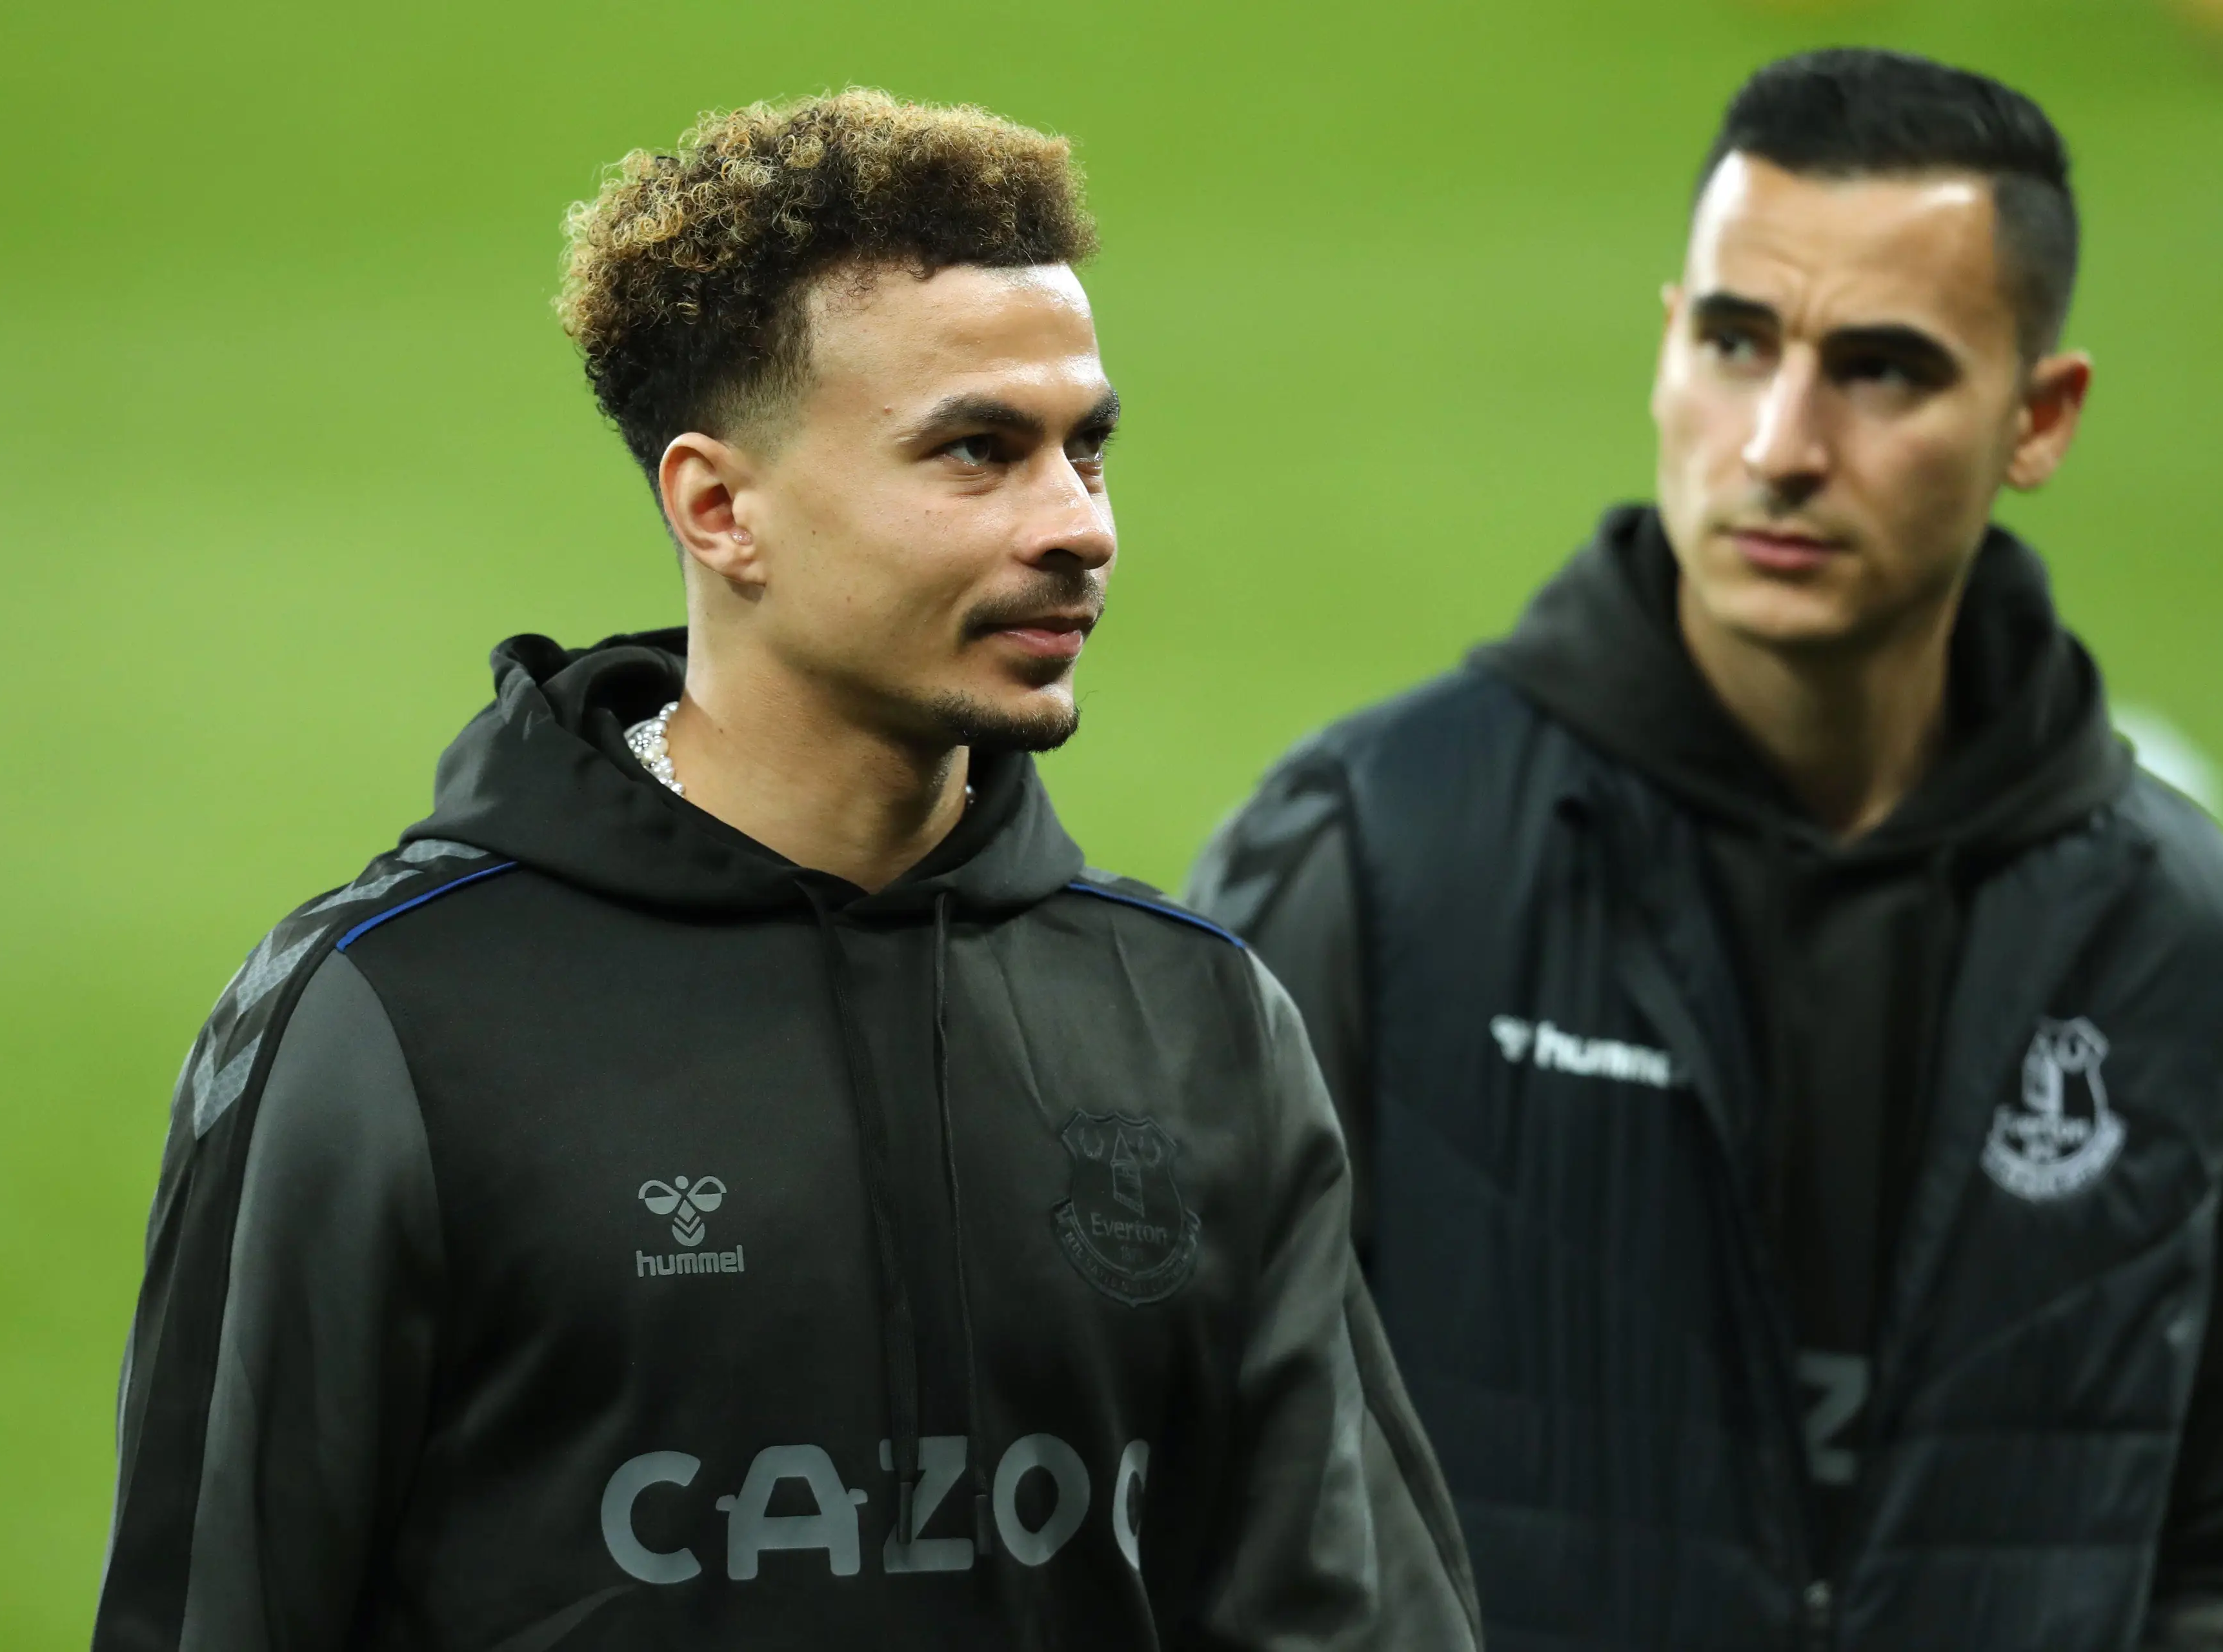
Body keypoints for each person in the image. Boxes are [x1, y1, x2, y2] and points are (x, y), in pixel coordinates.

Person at [90, 91, 1478, 1651]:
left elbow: (1340, 1618)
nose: (1076, 523)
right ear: (718, 506)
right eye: (977, 452)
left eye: (1085, 448)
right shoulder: (391, 1021)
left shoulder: (1196, 1021)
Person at [1187, 48, 2223, 1651]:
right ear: (1667, 343)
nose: (1779, 442)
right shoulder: (1376, 859)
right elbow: (1185, 1478)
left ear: (2040, 417)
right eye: (1736, 339)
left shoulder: (2180, 930)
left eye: (1882, 369)